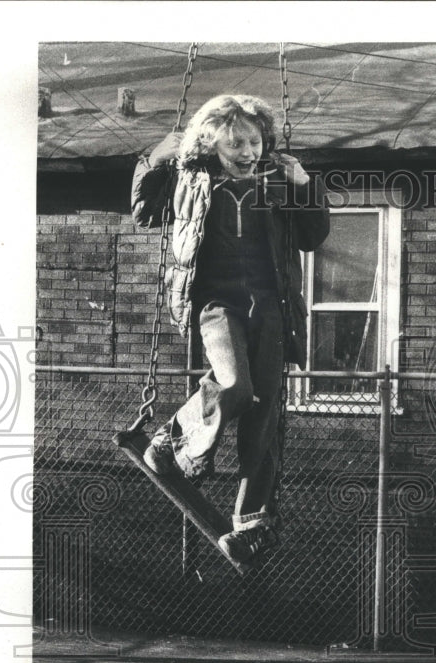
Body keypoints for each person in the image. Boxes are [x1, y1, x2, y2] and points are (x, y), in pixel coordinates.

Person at [131, 94, 330, 564]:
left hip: (272, 308)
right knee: (235, 386)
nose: (247, 152)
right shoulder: (193, 180)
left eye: (254, 141)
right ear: (211, 144)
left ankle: (252, 521)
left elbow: (311, 237)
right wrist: (157, 156)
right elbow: (143, 212)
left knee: (263, 420)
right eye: (235, 144)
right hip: (218, 305)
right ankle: (173, 439)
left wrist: (305, 186)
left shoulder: (279, 180)